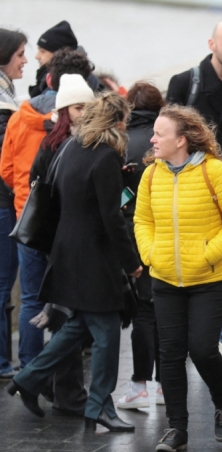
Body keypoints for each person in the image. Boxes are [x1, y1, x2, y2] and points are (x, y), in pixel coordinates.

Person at [6, 92, 142, 433]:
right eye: (125, 120)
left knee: (76, 328)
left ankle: (28, 378)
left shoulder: (72, 148)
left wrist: (117, 180)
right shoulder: (107, 157)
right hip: (95, 260)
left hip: (67, 253)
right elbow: (111, 217)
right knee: (108, 334)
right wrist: (131, 264)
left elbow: (80, 196)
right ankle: (99, 407)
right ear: (116, 122)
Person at [133, 105, 222, 451]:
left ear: (181, 140)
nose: (152, 139)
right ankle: (177, 430)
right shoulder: (151, 175)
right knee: (169, 354)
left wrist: (209, 253)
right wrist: (150, 254)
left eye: (159, 134)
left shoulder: (214, 172)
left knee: (202, 348)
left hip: (210, 279)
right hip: (166, 278)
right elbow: (142, 221)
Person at [166, 21, 222, 361]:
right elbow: (167, 134)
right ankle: (206, 329)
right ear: (212, 44)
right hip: (190, 184)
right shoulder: (185, 83)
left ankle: (216, 328)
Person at [0, 48, 92, 370]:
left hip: (28, 215)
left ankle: (28, 365)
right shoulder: (77, 122)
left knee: (30, 298)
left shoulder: (19, 116)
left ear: (49, 78)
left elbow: (7, 171)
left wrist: (23, 195)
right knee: (64, 298)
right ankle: (59, 368)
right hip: (65, 220)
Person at [26, 73, 95, 417]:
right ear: (66, 110)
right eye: (80, 107)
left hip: (63, 240)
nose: (86, 112)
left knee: (67, 318)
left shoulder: (58, 144)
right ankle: (65, 393)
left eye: (88, 106)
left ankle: (51, 384)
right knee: (70, 317)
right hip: (64, 242)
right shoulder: (59, 145)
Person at [116, 82, 165, 410]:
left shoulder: (122, 144)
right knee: (166, 310)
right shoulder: (168, 141)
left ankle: (139, 385)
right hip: (168, 233)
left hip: (135, 233)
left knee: (144, 311)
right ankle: (164, 384)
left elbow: (115, 195)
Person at [0, 28, 27, 379]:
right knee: (3, 284)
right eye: (20, 53)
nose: (25, 60)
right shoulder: (4, 106)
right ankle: (2, 362)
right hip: (3, 206)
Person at [28, 20, 102, 98]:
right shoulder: (48, 76)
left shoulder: (72, 78)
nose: (37, 56)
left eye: (42, 51)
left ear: (58, 54)